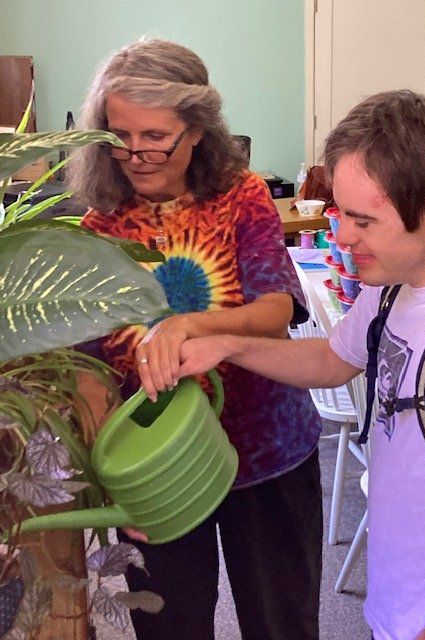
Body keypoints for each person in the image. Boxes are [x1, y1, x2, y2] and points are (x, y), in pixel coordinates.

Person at [168, 90, 425, 640]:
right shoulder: (394, 289)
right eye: (340, 213)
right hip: (402, 604)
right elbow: (333, 358)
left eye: (363, 220)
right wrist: (227, 345)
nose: (340, 235)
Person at [68, 38, 323, 640]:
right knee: (169, 626)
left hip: (267, 454)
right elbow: (89, 368)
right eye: (118, 134)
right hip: (161, 470)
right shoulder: (95, 233)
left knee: (280, 623)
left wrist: (188, 324)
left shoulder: (243, 198)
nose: (135, 153)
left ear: (199, 130)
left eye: (155, 136)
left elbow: (275, 311)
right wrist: (114, 476)